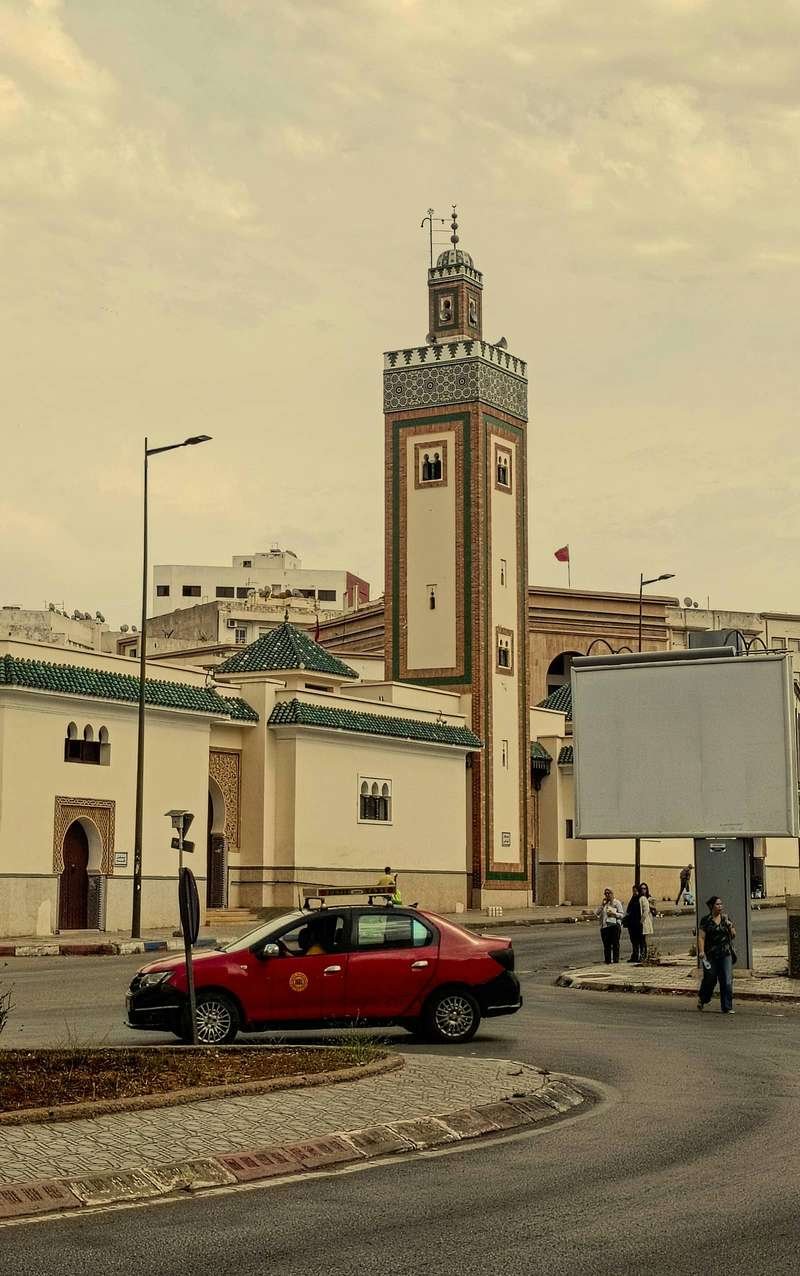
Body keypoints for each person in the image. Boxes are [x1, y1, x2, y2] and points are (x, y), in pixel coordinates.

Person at [697, 895, 736, 1013]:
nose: (720, 906)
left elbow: (733, 935)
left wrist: (730, 926)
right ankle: (703, 998)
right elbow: (701, 937)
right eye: (717, 904)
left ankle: (727, 1006)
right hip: (711, 955)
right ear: (712, 906)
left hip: (725, 953)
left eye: (721, 904)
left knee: (727, 980)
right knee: (710, 978)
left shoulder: (725, 918)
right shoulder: (705, 920)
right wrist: (702, 951)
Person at [595, 888, 624, 964]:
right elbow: (596, 913)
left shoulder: (616, 903)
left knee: (615, 944)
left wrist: (615, 914)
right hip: (605, 927)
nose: (607, 895)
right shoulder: (605, 904)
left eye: (609, 893)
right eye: (606, 894)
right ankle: (607, 961)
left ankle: (615, 961)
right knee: (606, 945)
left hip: (614, 926)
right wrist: (602, 905)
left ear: (612, 894)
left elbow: (621, 915)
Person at [625, 885, 643, 962]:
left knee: (640, 941)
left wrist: (641, 922)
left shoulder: (641, 899)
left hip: (638, 923)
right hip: (631, 923)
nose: (634, 893)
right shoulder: (632, 900)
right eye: (633, 891)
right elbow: (628, 910)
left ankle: (641, 956)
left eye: (636, 891)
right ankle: (635, 956)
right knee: (633, 941)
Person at [638, 882, 656, 961]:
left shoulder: (644, 898)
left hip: (645, 921)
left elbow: (646, 911)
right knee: (643, 940)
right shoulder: (641, 898)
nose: (643, 890)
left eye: (644, 888)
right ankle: (643, 955)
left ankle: (644, 956)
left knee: (643, 940)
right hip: (645, 920)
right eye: (642, 888)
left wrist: (641, 921)